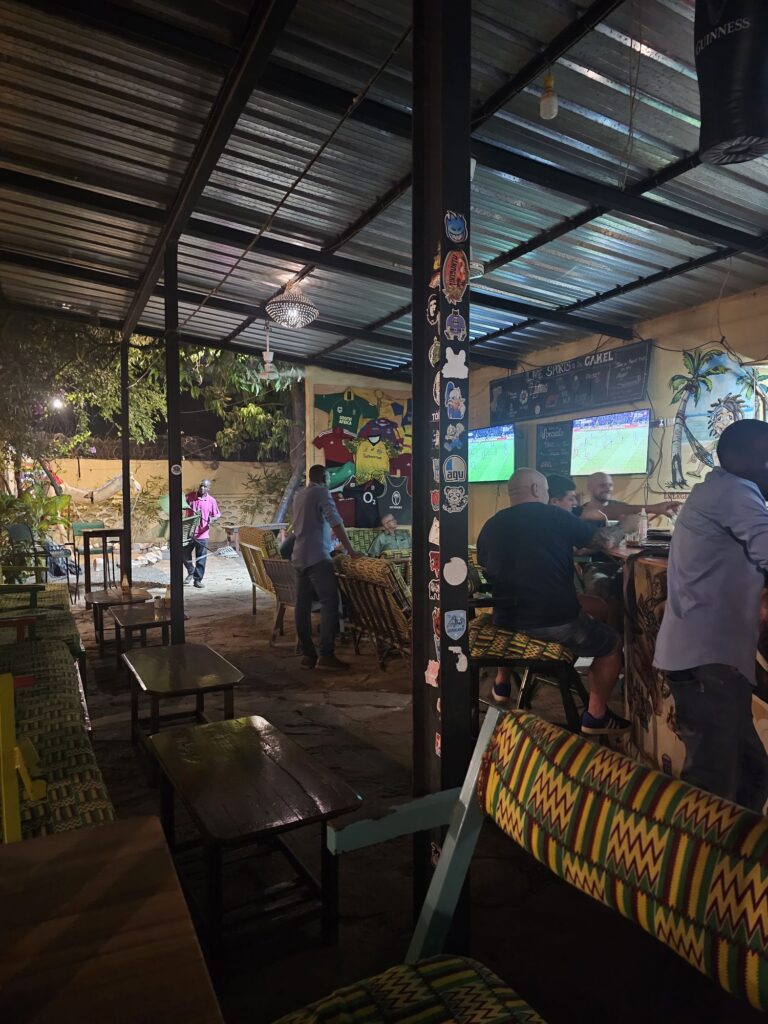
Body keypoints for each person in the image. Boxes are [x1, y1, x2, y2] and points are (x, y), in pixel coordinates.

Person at [654, 420, 768, 812]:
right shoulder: (736, 492)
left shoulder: (720, 489)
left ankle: (733, 864)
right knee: (712, 784)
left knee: (752, 771)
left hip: (707, 658)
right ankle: (689, 869)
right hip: (709, 664)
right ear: (756, 459)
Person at [477, 468, 628, 735]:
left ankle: (502, 683)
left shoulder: (491, 525)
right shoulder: (555, 516)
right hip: (553, 623)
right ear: (536, 490)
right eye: (546, 491)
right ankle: (596, 716)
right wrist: (627, 525)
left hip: (505, 621)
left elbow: (488, 566)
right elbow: (603, 541)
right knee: (611, 644)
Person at [292, 464, 360, 670]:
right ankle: (326, 655)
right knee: (331, 603)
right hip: (317, 557)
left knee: (301, 607)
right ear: (324, 477)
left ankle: (308, 655)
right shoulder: (322, 492)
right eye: (329, 477)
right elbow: (335, 521)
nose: (330, 481)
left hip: (299, 557)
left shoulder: (299, 495)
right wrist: (351, 550)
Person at [579, 472, 679, 521]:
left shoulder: (621, 506)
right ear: (589, 487)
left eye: (610, 485)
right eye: (602, 485)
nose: (608, 489)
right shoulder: (581, 512)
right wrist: (654, 508)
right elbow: (602, 513)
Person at [183, 479, 220, 589]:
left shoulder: (211, 501)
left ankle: (197, 580)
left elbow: (217, 514)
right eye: (201, 486)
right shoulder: (189, 497)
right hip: (189, 533)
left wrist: (212, 519)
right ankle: (191, 570)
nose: (202, 488)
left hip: (202, 534)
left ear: (208, 488)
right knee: (183, 554)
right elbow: (181, 505)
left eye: (205, 486)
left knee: (201, 558)